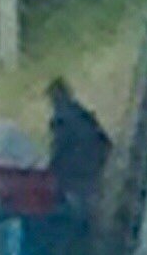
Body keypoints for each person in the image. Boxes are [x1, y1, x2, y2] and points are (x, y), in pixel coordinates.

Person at [46, 77, 111, 236]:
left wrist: (52, 168)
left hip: (75, 173)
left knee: (75, 211)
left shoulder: (64, 118)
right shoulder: (82, 115)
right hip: (89, 170)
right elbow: (105, 143)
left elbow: (60, 147)